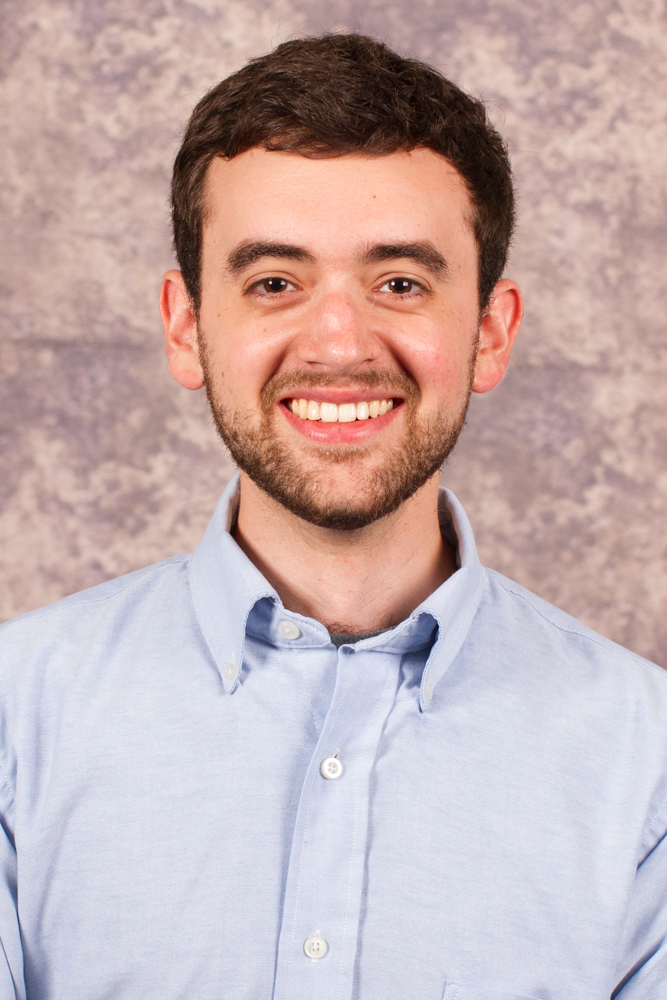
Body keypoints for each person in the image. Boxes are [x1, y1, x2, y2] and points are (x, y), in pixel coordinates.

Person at [0, 32, 665, 1000]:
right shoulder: (14, 718)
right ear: (187, 326)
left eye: (400, 283)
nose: (340, 343)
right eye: (275, 282)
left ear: (489, 333)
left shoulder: (646, 762)